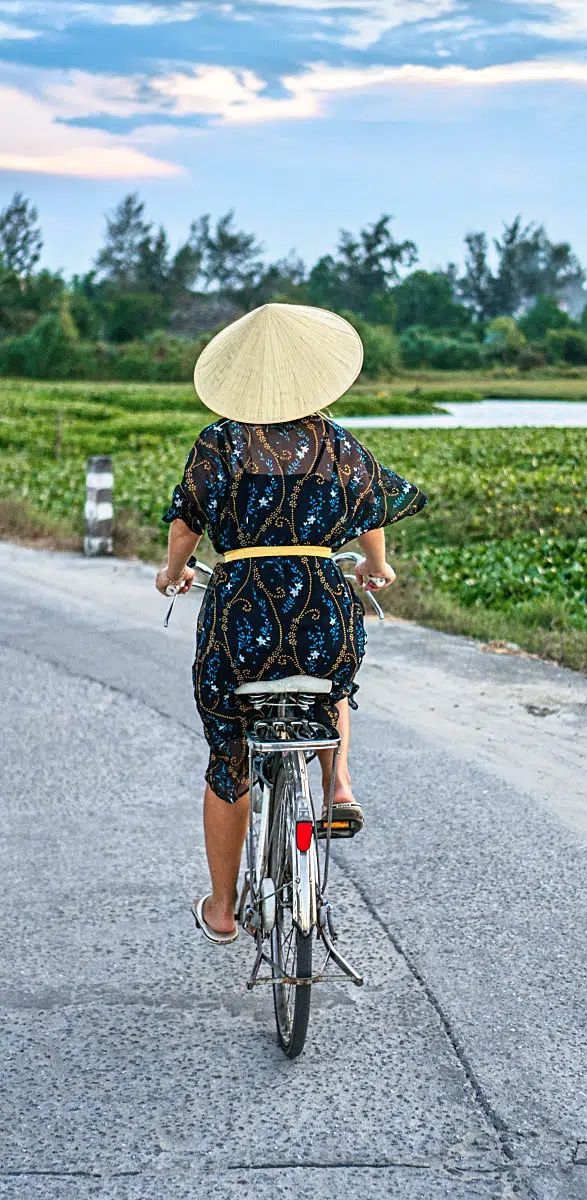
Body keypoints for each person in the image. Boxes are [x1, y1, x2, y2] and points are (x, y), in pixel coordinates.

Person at [155, 303, 427, 943]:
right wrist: (377, 567)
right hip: (320, 607)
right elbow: (372, 512)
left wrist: (174, 573)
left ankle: (222, 911)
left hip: (240, 614)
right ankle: (337, 784)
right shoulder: (336, 442)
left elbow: (186, 526)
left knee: (230, 755)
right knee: (330, 683)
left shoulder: (219, 444)